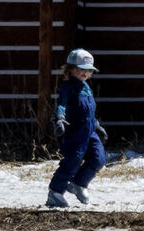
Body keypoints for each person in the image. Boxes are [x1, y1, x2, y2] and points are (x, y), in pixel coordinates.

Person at [44, 48, 104, 208]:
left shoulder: (86, 87)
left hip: (89, 130)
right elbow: (61, 104)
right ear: (71, 69)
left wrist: (97, 125)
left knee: (98, 159)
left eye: (89, 71)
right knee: (73, 160)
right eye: (81, 70)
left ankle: (79, 183)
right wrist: (59, 119)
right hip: (75, 131)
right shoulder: (67, 87)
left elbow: (89, 110)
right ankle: (55, 192)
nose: (85, 73)